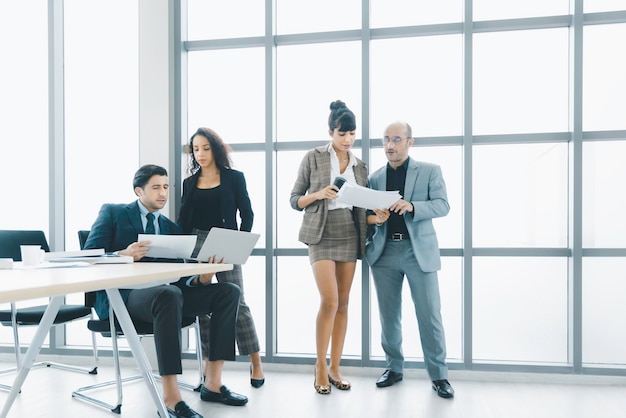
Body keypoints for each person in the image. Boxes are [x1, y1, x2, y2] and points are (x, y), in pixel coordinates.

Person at [84, 164, 248, 418]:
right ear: (139, 191)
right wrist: (122, 254)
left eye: (166, 187)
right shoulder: (113, 213)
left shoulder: (171, 228)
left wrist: (202, 277)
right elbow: (88, 257)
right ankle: (171, 397)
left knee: (228, 291)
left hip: (166, 296)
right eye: (156, 187)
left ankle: (213, 384)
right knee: (168, 295)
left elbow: (181, 281)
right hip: (124, 297)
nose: (163, 193)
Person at [365, 121, 455, 398]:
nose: (389, 145)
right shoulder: (375, 177)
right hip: (384, 253)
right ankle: (394, 368)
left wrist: (413, 206)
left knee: (429, 314)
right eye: (385, 140)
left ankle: (439, 376)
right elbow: (366, 216)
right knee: (389, 316)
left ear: (409, 142)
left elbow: (443, 205)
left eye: (396, 139)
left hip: (419, 254)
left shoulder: (429, 171)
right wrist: (374, 218)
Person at [289, 100, 368, 394]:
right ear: (331, 132)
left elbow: (360, 208)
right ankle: (320, 365)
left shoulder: (360, 166)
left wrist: (377, 214)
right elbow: (294, 199)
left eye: (352, 134)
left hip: (349, 231)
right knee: (330, 301)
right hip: (321, 234)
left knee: (344, 303)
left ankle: (335, 366)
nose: (347, 139)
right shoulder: (314, 157)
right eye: (341, 133)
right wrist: (319, 194)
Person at [178, 127, 265, 388]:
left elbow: (247, 214)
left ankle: (256, 361)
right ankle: (208, 366)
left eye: (205, 148)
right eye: (196, 149)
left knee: (238, 302)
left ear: (215, 149)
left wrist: (239, 242)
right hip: (196, 244)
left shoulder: (234, 178)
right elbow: (184, 220)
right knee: (202, 308)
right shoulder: (189, 183)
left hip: (225, 241)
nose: (200, 154)